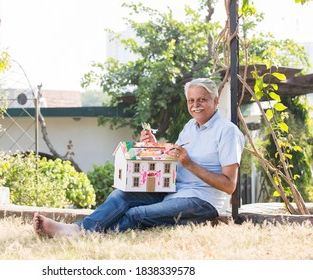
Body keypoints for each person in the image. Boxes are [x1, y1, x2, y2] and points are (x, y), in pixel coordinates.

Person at [33, 78, 245, 238]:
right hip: (174, 190)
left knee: (137, 214)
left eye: (202, 99)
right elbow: (174, 158)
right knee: (121, 195)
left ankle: (86, 235)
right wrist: (154, 146)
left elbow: (229, 186)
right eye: (191, 100)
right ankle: (77, 230)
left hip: (202, 201)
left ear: (215, 101)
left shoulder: (227, 132)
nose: (195, 105)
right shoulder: (190, 127)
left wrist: (189, 164)